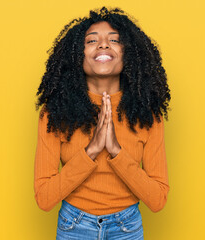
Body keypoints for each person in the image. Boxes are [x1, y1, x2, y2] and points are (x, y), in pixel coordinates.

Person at [34, 6, 171, 240]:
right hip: (73, 226)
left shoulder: (148, 115)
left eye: (114, 40)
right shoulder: (54, 113)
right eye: (91, 40)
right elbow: (44, 198)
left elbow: (158, 200)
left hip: (127, 227)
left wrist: (116, 152)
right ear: (77, 55)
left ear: (128, 54)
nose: (103, 45)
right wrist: (92, 151)